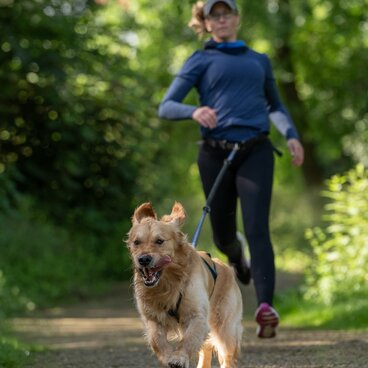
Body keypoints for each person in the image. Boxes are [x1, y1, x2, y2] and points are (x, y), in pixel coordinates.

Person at [158, 0, 304, 338]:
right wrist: (193, 112)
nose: (222, 20)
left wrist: (292, 135)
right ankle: (237, 259)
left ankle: (266, 306)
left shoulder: (259, 60)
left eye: (227, 14)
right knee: (223, 232)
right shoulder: (201, 60)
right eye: (215, 16)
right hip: (215, 153)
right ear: (206, 23)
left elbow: (275, 105)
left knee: (257, 227)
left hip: (256, 150)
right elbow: (167, 106)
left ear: (237, 18)